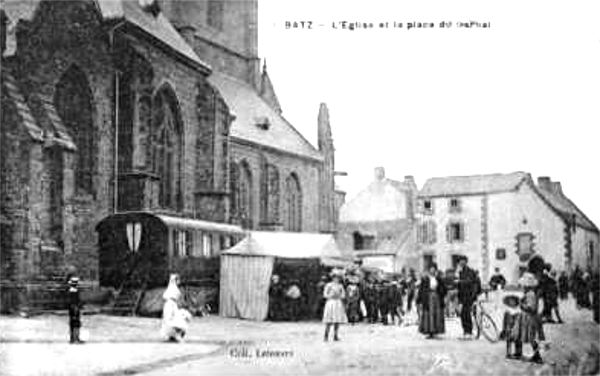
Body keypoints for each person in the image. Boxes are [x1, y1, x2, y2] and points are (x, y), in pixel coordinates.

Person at [511, 272, 545, 364]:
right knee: (517, 333)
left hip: (529, 318)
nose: (522, 287)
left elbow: (531, 308)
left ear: (527, 285)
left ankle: (537, 356)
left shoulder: (530, 294)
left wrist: (521, 305)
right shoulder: (529, 293)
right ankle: (519, 353)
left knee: (530, 337)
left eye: (523, 285)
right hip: (525, 317)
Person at [416, 263, 446, 339]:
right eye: (431, 269)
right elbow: (421, 289)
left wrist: (441, 293)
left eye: (434, 269)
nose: (432, 270)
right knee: (428, 314)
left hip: (436, 297)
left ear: (435, 270)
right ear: (429, 270)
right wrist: (419, 299)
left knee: (436, 314)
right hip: (428, 297)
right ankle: (429, 332)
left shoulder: (438, 279)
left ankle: (436, 331)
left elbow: (443, 289)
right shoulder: (425, 279)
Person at [161, 274, 190, 342]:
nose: (179, 281)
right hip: (170, 305)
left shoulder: (174, 288)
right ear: (175, 280)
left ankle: (173, 336)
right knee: (171, 320)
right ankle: (173, 336)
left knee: (176, 319)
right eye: (178, 280)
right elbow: (168, 297)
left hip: (173, 305)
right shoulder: (172, 288)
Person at [456, 256, 479, 339]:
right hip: (462, 296)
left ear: (466, 261)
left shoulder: (469, 271)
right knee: (463, 314)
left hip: (469, 296)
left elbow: (469, 281)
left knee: (466, 314)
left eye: (463, 261)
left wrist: (460, 281)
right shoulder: (461, 271)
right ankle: (465, 331)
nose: (461, 263)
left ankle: (469, 331)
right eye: (460, 261)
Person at [323, 274, 348, 341]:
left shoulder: (340, 286)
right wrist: (330, 296)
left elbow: (343, 294)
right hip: (331, 303)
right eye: (335, 278)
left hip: (338, 302)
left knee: (337, 319)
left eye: (337, 278)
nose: (336, 279)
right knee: (329, 319)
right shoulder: (329, 285)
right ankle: (326, 336)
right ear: (332, 278)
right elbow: (325, 294)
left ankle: (335, 335)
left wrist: (339, 296)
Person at [67, 276, 84, 344]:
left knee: (72, 323)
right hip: (75, 308)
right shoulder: (75, 291)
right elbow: (75, 302)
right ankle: (76, 338)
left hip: (71, 308)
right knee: (76, 323)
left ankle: (72, 338)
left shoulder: (70, 290)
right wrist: (76, 308)